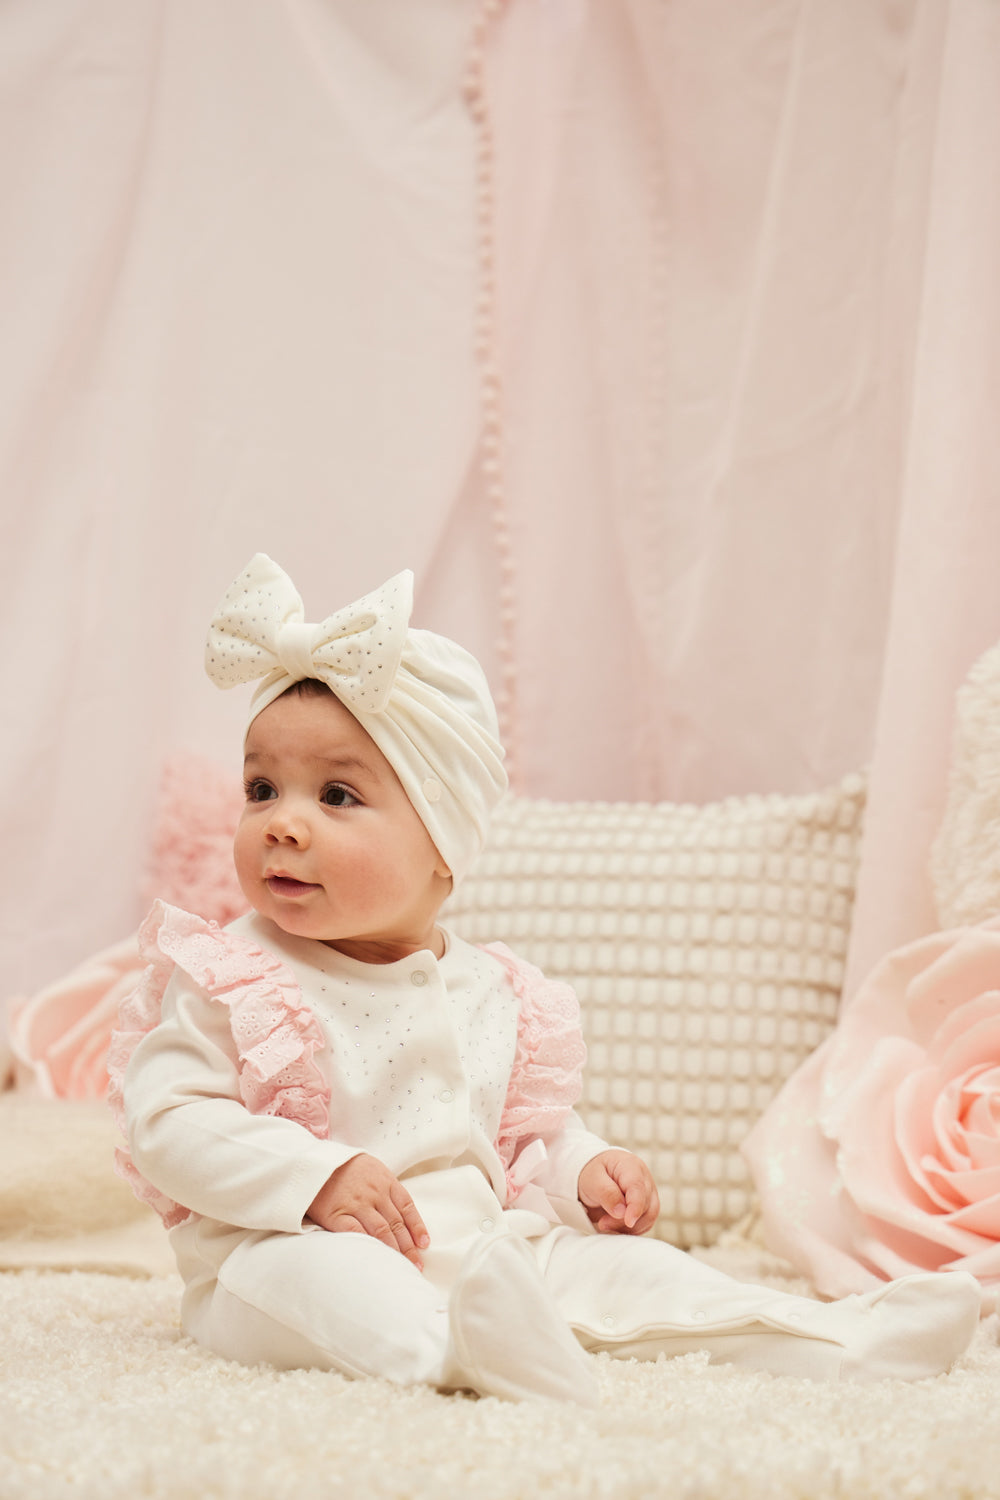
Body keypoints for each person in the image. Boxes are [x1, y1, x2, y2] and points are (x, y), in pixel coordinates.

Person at [110, 554, 981, 1406]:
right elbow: (170, 1122)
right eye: (262, 788)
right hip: (280, 1248)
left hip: (492, 1245)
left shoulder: (494, 989)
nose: (281, 825)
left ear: (445, 851)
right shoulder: (238, 974)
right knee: (326, 1285)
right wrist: (314, 1178)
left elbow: (525, 1140)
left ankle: (832, 1338)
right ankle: (456, 1350)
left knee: (632, 1272)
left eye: (335, 796)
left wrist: (587, 1169)